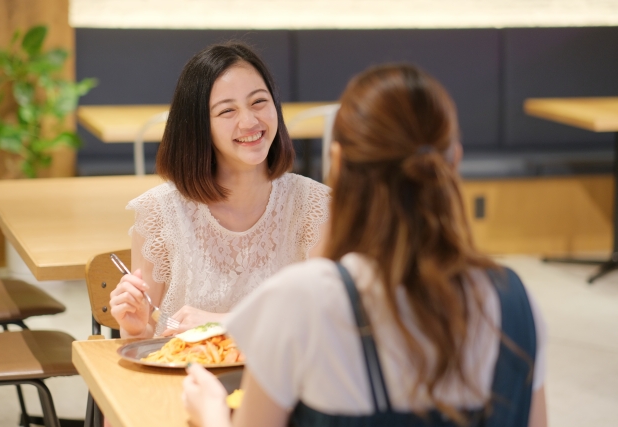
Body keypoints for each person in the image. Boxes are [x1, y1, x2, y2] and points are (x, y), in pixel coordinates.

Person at [182, 63, 548, 427]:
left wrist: (212, 414)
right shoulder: (517, 301)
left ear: (338, 164)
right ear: (454, 158)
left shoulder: (303, 301)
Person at [109, 42, 330, 338]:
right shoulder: (158, 212)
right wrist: (135, 327)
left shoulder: (315, 206)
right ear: (199, 126)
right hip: (184, 379)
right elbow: (146, 332)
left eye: (259, 102)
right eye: (227, 110)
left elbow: (324, 320)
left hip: (282, 381)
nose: (249, 121)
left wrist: (224, 322)